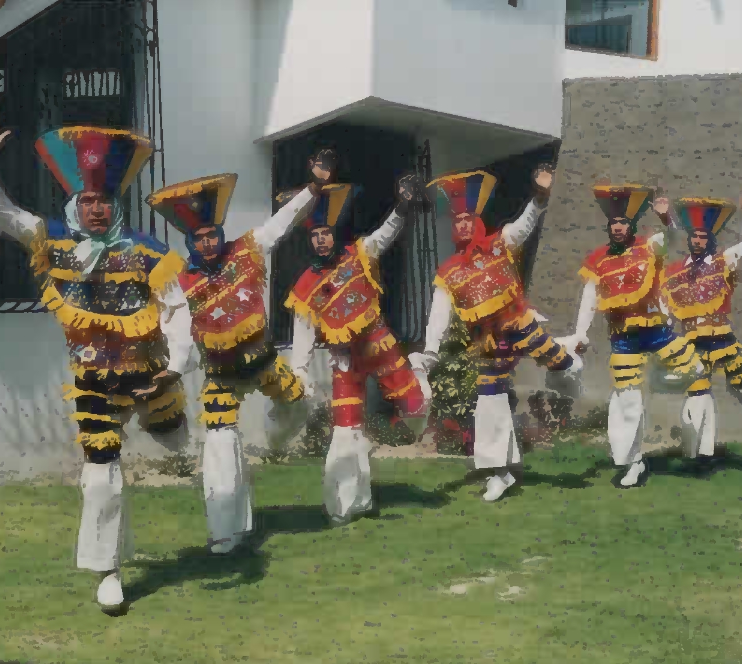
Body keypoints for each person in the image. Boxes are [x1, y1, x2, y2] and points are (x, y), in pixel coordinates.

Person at [0, 107, 193, 610]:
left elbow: (179, 310)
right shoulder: (54, 239)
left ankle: (174, 427)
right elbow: (5, 215)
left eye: (104, 200)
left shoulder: (146, 249)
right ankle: (107, 570)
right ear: (74, 201)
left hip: (153, 376)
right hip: (94, 381)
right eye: (88, 199)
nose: (96, 209)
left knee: (178, 443)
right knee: (100, 475)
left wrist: (172, 370)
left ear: (115, 204)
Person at [144, 155, 331, 554]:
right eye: (200, 238)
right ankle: (225, 532)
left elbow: (281, 223)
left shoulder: (247, 249)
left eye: (212, 234)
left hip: (266, 363)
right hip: (221, 376)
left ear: (220, 232)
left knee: (299, 407)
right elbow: (177, 334)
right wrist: (174, 370)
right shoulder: (179, 280)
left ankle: (274, 439)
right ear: (189, 242)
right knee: (220, 448)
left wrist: (312, 188)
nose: (208, 243)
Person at [408, 166, 581, 502]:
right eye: (456, 220)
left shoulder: (500, 244)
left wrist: (540, 197)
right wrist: (429, 354)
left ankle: (567, 350)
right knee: (489, 401)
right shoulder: (449, 271)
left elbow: (524, 226)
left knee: (564, 366)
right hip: (488, 342)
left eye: (467, 219)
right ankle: (500, 471)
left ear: (478, 222)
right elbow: (438, 315)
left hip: (520, 325)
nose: (462, 225)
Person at [284, 170, 428, 526]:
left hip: (382, 349)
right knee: (346, 430)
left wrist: (402, 206)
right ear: (309, 239)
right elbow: (302, 334)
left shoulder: (359, 253)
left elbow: (386, 234)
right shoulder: (304, 286)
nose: (321, 240)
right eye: (315, 234)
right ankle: (347, 505)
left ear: (335, 233)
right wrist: (299, 372)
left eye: (326, 233)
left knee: (415, 409)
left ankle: (420, 370)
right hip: (344, 362)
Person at [557, 183, 703, 488]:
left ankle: (652, 381)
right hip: (623, 338)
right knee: (627, 399)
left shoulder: (648, 247)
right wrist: (581, 334)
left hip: (657, 332)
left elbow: (672, 239)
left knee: (695, 369)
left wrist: (666, 218)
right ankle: (633, 462)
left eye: (623, 222)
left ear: (632, 225)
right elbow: (589, 298)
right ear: (608, 226)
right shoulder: (598, 259)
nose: (618, 227)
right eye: (614, 223)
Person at [657, 191, 742, 462]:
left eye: (703, 237)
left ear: (711, 239)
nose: (698, 241)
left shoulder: (723, 261)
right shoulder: (675, 272)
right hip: (692, 340)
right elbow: (667, 309)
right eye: (694, 236)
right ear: (689, 239)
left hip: (721, 338)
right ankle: (699, 454)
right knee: (698, 391)